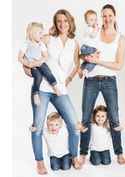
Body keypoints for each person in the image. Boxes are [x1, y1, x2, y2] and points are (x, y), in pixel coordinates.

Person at [22, 9, 81, 175]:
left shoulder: (74, 43)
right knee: (38, 127)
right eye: (59, 21)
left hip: (60, 89)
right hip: (42, 89)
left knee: (74, 126)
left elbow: (76, 65)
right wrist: (28, 70)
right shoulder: (47, 38)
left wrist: (68, 80)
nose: (62, 24)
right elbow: (29, 50)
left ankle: (74, 156)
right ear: (55, 23)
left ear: (70, 22)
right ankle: (40, 162)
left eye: (65, 21)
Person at [78, 4, 125, 166]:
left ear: (115, 16)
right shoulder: (94, 31)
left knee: (114, 117)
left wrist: (96, 61)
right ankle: (83, 152)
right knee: (85, 116)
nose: (107, 19)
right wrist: (86, 59)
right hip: (91, 79)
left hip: (109, 81)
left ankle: (119, 152)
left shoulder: (121, 38)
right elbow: (82, 52)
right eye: (104, 15)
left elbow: (118, 65)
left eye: (110, 15)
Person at [18, 22, 61, 106]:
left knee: (48, 73)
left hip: (40, 63)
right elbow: (20, 57)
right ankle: (36, 94)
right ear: (32, 33)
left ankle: (56, 87)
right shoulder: (25, 45)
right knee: (38, 77)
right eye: (40, 33)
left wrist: (37, 62)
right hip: (32, 67)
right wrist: (27, 63)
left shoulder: (41, 44)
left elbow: (45, 56)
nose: (42, 35)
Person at [78, 9, 99, 78]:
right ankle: (86, 70)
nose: (94, 22)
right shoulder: (89, 28)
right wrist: (96, 28)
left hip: (85, 48)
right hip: (89, 48)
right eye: (91, 20)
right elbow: (93, 35)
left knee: (88, 61)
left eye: (95, 19)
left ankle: (81, 69)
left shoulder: (88, 29)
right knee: (94, 60)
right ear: (86, 21)